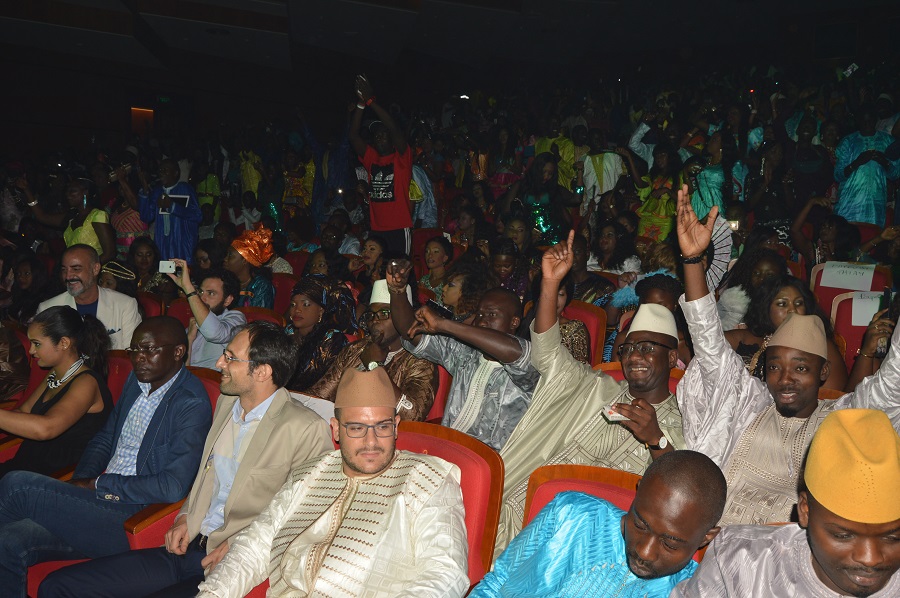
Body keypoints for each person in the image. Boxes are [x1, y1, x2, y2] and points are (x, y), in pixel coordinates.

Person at [39, 321, 334, 598]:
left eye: (230, 358)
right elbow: (207, 477)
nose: (219, 363)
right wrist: (183, 516)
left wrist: (242, 544)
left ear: (262, 372)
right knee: (58, 586)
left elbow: (306, 515)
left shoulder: (304, 428)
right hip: (184, 547)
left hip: (228, 562)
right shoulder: (227, 403)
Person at [675, 184, 900, 527]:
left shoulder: (838, 418)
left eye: (801, 368)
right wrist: (692, 261)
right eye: (776, 366)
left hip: (780, 557)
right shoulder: (746, 401)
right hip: (710, 532)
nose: (786, 378)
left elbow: (891, 382)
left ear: (823, 372)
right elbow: (707, 338)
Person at [195, 366, 469, 598]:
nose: (371, 442)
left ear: (396, 426)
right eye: (357, 428)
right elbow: (257, 543)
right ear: (336, 429)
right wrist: (213, 594)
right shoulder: (310, 473)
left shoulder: (427, 478)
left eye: (383, 427)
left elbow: (444, 574)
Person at [495, 231, 686, 552]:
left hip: (599, 539)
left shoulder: (684, 416)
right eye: (629, 348)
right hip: (532, 510)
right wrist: (550, 283)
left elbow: (681, 490)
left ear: (671, 357)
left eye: (648, 347)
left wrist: (657, 439)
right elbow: (546, 351)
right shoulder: (596, 386)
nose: (636, 355)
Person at [0, 316, 212, 595]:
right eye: (134, 350)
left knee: (18, 485)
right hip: (97, 505)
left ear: (177, 352)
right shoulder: (137, 382)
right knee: (8, 540)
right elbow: (104, 439)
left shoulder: (190, 403)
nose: (139, 358)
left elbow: (172, 486)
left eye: (149, 350)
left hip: (134, 515)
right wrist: (79, 485)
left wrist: (96, 485)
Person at [673, 408, 900, 597]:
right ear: (805, 510)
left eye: (894, 537)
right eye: (843, 535)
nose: (870, 558)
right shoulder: (741, 562)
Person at [472, 451, 725, 597]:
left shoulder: (692, 591)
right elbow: (497, 582)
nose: (644, 552)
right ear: (638, 493)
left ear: (706, 537)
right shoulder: (572, 515)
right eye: (640, 524)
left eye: (670, 543)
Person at [388, 261, 538, 450]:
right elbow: (409, 332)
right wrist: (398, 292)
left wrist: (443, 324)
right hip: (448, 447)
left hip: (494, 462)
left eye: (491, 315)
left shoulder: (527, 363)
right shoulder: (465, 353)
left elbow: (515, 352)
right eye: (480, 315)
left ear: (514, 321)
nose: (482, 321)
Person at [0, 306, 111, 479]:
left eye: (37, 344)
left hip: (51, 480)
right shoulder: (55, 373)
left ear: (64, 343)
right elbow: (23, 412)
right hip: (21, 469)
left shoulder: (87, 383)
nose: (31, 351)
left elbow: (46, 428)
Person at [309, 279, 437, 421]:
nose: (375, 320)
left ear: (403, 317)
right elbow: (319, 395)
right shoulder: (355, 349)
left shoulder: (420, 360)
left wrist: (375, 367)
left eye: (384, 313)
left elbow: (412, 416)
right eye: (371, 315)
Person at [725, 274, 847, 390]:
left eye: (799, 303)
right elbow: (709, 345)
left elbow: (830, 395)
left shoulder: (820, 344)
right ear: (765, 308)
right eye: (782, 304)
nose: (792, 310)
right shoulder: (746, 338)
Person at [349, 75, 414, 254]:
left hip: (399, 228)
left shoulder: (401, 157)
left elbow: (393, 127)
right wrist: (361, 105)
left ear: (392, 140)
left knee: (400, 273)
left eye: (383, 134)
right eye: (376, 134)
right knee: (379, 275)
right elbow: (354, 137)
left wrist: (370, 100)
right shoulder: (372, 158)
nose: (379, 136)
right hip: (377, 227)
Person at [37, 244, 141, 350]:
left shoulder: (125, 305)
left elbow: (130, 354)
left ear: (95, 269)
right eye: (64, 270)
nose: (68, 276)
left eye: (76, 269)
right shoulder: (47, 309)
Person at [165, 260, 247, 370]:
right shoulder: (192, 325)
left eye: (211, 293)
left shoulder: (236, 318)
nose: (202, 298)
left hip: (214, 383)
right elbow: (181, 371)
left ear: (227, 300)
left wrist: (188, 289)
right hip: (191, 383)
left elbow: (214, 333)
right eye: (201, 292)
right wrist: (189, 339)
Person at [284, 275, 356, 391]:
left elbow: (321, 383)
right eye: (293, 304)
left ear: (321, 311)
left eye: (306, 304)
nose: (297, 310)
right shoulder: (288, 332)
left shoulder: (331, 338)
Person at [834, 105, 900, 227]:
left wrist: (884, 162)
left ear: (876, 120)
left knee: (872, 238)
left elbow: (896, 174)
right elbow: (838, 175)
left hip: (875, 203)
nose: (867, 124)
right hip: (849, 203)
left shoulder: (888, 141)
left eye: (870, 120)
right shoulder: (848, 141)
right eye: (863, 121)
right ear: (858, 121)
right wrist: (857, 162)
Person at [23, 178, 116, 263]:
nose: (68, 194)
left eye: (72, 191)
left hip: (92, 273)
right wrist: (26, 190)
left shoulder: (97, 215)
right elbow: (41, 217)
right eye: (67, 191)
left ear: (85, 192)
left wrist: (88, 268)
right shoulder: (71, 217)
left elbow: (110, 253)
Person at [137, 159, 202, 260]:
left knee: (182, 272)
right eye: (160, 170)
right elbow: (146, 217)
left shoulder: (185, 188)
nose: (161, 173)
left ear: (175, 173)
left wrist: (173, 207)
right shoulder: (157, 191)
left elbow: (197, 216)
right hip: (163, 243)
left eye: (165, 170)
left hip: (182, 243)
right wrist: (145, 189)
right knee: (164, 273)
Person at [224, 224, 276, 310]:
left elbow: (259, 319)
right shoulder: (225, 280)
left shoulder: (261, 286)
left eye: (230, 255)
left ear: (245, 260)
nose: (225, 259)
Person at [419, 235, 452, 302]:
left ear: (445, 257)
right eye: (427, 251)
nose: (430, 255)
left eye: (436, 252)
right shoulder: (424, 280)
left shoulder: (449, 281)